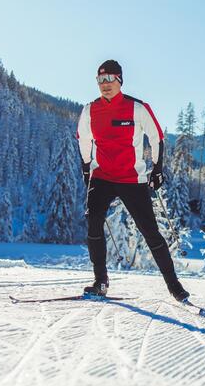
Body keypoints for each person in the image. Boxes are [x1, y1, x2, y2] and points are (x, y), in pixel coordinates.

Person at [77, 60, 189, 302]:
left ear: (120, 80)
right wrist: (87, 166)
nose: (105, 85)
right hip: (102, 175)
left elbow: (156, 137)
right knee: (93, 221)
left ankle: (174, 286)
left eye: (110, 79)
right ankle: (100, 281)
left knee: (150, 231)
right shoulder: (90, 110)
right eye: (100, 80)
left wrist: (157, 169)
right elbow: (83, 138)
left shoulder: (137, 108)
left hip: (131, 178)